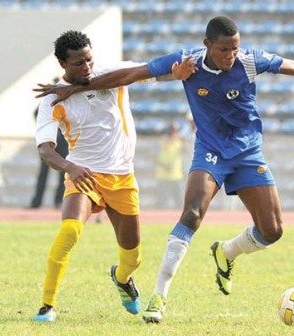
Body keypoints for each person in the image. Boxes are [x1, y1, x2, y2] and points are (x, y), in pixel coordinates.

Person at [33, 16, 294, 324]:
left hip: (241, 153)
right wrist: (72, 93)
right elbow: (128, 77)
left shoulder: (249, 62)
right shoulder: (187, 63)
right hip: (200, 153)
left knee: (272, 230)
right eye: (224, 50)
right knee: (190, 212)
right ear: (207, 45)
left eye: (235, 49)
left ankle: (224, 253)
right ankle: (151, 299)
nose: (231, 56)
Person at [32, 30, 195, 323]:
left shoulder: (112, 73)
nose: (87, 67)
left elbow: (155, 69)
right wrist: (70, 167)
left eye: (89, 59)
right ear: (61, 64)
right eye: (78, 63)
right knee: (69, 231)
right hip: (84, 176)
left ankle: (121, 279)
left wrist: (178, 72)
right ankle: (47, 305)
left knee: (133, 258)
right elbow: (45, 150)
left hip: (122, 177)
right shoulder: (52, 98)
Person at [30, 103, 69, 209]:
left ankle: (58, 201)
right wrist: (46, 128)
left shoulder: (67, 102)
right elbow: (36, 113)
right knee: (43, 173)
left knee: (63, 173)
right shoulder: (48, 100)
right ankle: (37, 202)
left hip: (63, 142)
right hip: (48, 141)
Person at [155, 122, 184, 209]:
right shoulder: (162, 141)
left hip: (176, 175)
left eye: (175, 131)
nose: (173, 133)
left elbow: (188, 151)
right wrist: (164, 166)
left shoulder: (180, 142)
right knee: (161, 200)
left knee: (178, 200)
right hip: (163, 175)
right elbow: (153, 155)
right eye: (171, 130)